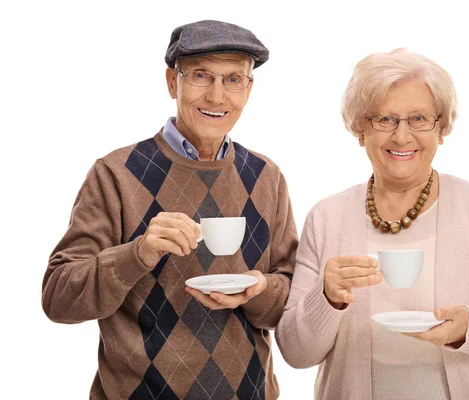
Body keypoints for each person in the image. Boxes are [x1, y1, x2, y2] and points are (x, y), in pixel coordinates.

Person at [275, 48, 469, 399]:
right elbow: (295, 353)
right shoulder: (327, 217)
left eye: (419, 118)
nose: (402, 136)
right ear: (360, 129)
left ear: (442, 128)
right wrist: (327, 298)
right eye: (385, 119)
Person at [42, 20, 298, 400]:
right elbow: (58, 299)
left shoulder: (266, 177)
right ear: (171, 82)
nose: (216, 96)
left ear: (249, 89)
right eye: (200, 75)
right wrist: (136, 254)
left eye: (232, 79)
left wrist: (259, 290)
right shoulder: (116, 173)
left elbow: (291, 298)